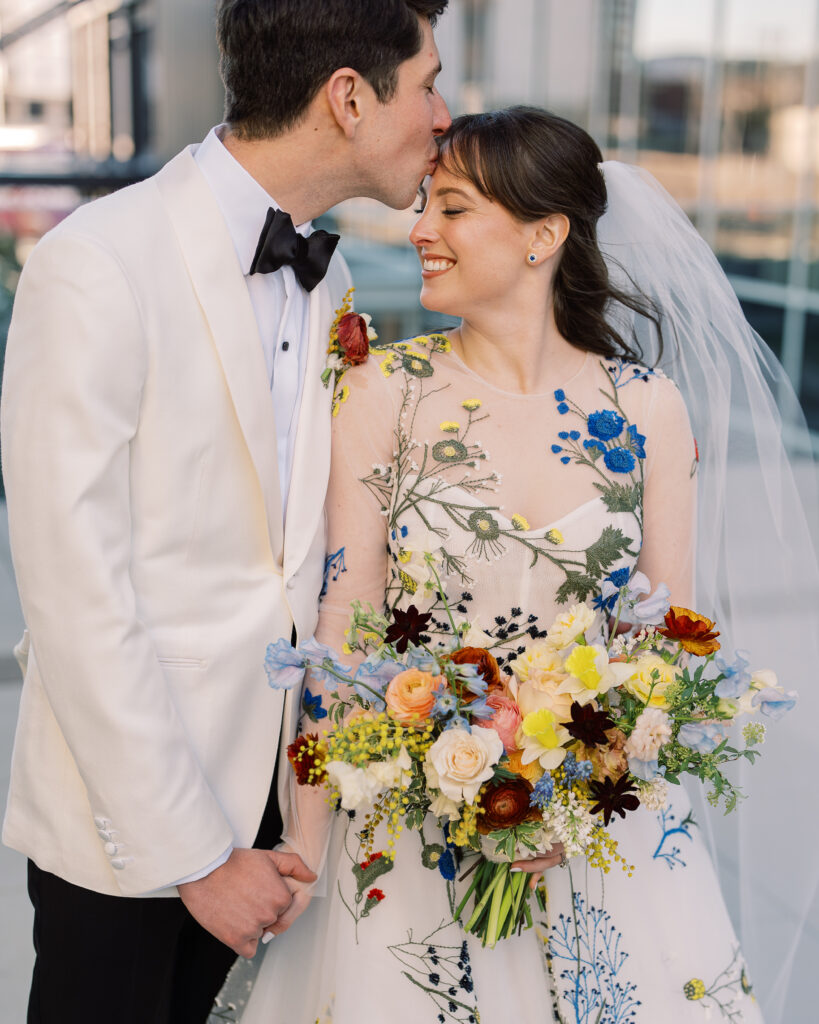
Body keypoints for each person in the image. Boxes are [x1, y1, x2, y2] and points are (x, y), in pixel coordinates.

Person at [241, 106, 819, 1023]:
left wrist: (568, 802)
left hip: (597, 837)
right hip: (412, 832)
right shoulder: (383, 390)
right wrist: (306, 841)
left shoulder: (646, 408)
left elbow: (667, 642)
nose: (419, 229)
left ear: (543, 235)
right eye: (425, 204)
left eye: (453, 209)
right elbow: (344, 622)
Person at [0, 2, 449, 1021]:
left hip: (287, 816)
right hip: (131, 833)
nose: (442, 115)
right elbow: (74, 597)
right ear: (348, 97)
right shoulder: (98, 261)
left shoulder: (329, 279)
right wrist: (198, 855)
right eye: (427, 83)